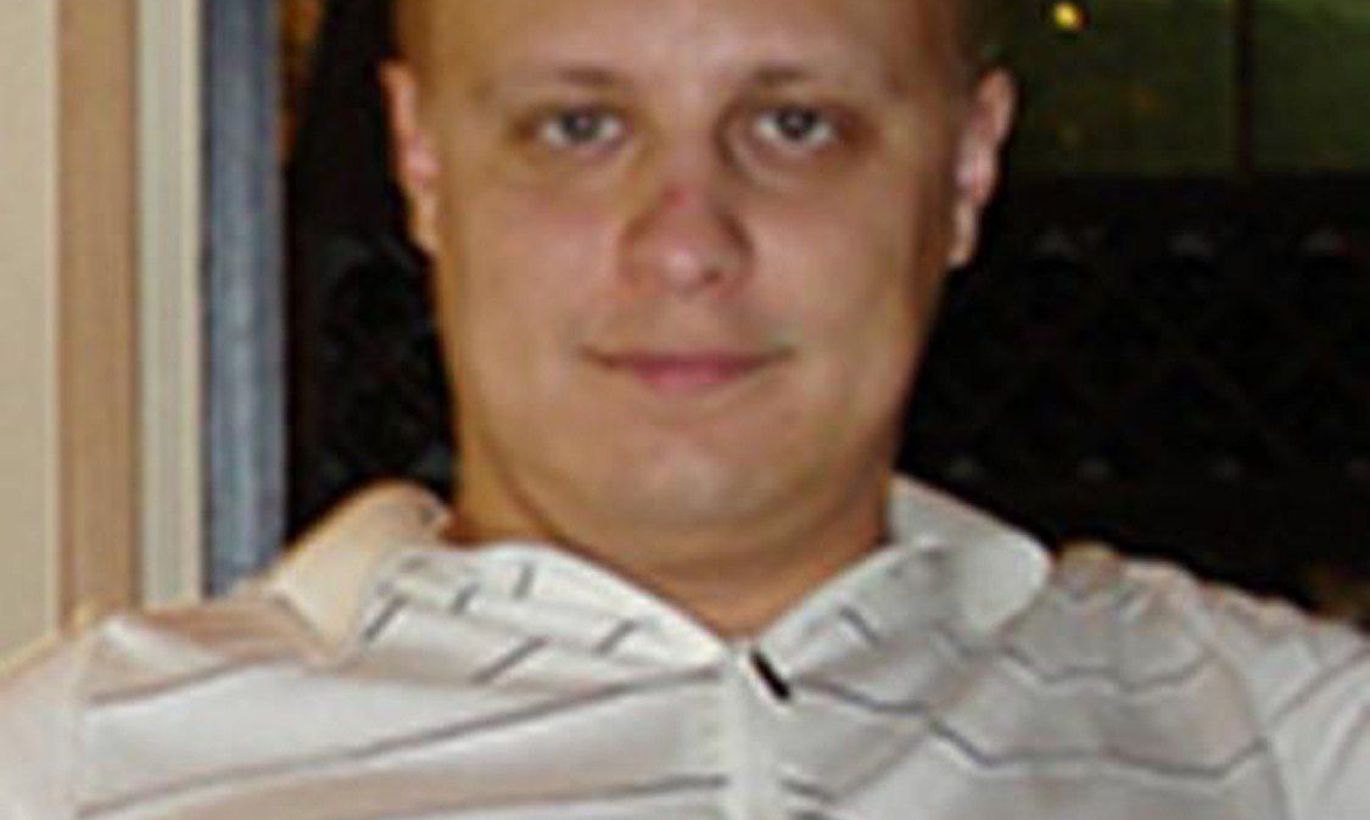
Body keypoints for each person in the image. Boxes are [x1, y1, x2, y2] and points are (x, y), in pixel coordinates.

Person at [2, 0, 1367, 816]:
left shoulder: (1272, 738)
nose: (682, 246)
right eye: (578, 127)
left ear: (965, 168)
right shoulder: (75, 769)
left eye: (794, 125)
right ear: (422, 160)